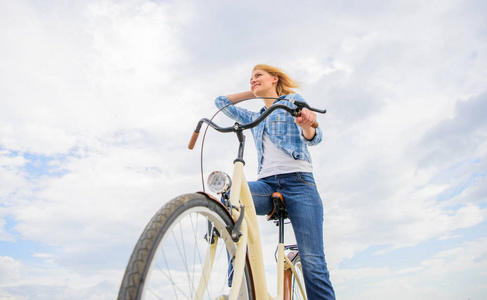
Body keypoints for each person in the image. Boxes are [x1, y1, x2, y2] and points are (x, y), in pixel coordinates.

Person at [214, 64, 335, 299]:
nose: (253, 80)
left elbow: (315, 137)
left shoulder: (292, 101)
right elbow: (221, 103)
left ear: (274, 78)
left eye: (258, 76)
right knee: (231, 195)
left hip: (299, 184)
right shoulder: (255, 116)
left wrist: (308, 124)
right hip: (266, 185)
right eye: (250, 78)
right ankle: (241, 286)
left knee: (313, 261)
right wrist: (255, 92)